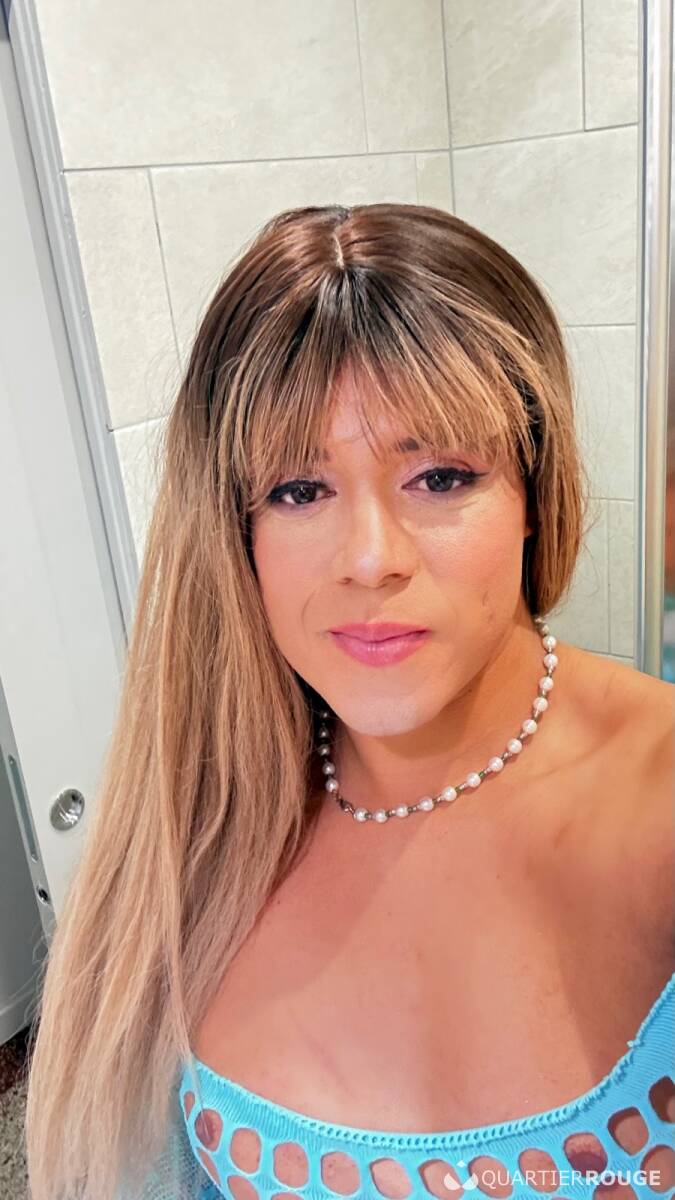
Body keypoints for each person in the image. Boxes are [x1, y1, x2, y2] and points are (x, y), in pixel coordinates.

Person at [24, 204, 674, 1200]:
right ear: (234, 532)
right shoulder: (188, 843)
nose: (371, 559)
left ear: (533, 494)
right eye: (298, 491)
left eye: (440, 476)